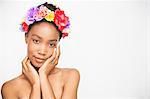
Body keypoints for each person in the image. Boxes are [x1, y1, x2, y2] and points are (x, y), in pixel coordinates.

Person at [1, 2, 80, 99]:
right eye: (36, 41)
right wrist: (35, 84)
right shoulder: (10, 88)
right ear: (26, 37)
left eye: (51, 44)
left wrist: (43, 76)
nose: (42, 51)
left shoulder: (70, 76)